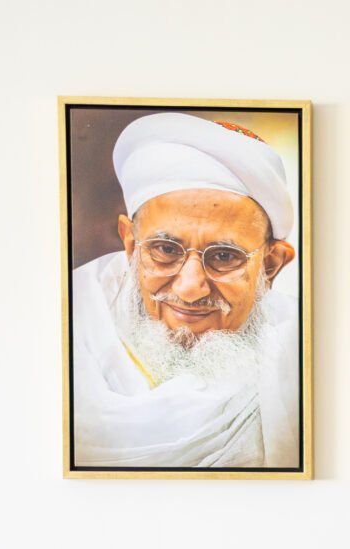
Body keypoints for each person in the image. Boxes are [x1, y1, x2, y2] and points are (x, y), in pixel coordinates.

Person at [70, 113, 300, 468]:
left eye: (224, 256)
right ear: (130, 245)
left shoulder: (301, 351)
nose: (191, 289)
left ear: (270, 266)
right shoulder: (70, 320)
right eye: (165, 249)